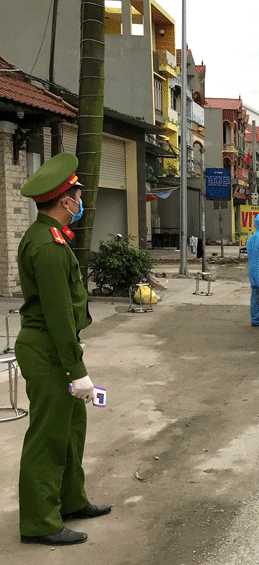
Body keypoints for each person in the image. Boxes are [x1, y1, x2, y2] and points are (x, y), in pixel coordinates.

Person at [16, 153, 111, 546]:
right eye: (76, 195)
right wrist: (77, 371)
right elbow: (57, 317)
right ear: (63, 201)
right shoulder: (49, 247)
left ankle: (70, 500)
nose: (80, 201)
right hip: (48, 350)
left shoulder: (48, 237)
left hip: (58, 348)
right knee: (48, 436)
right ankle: (40, 521)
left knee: (71, 428)